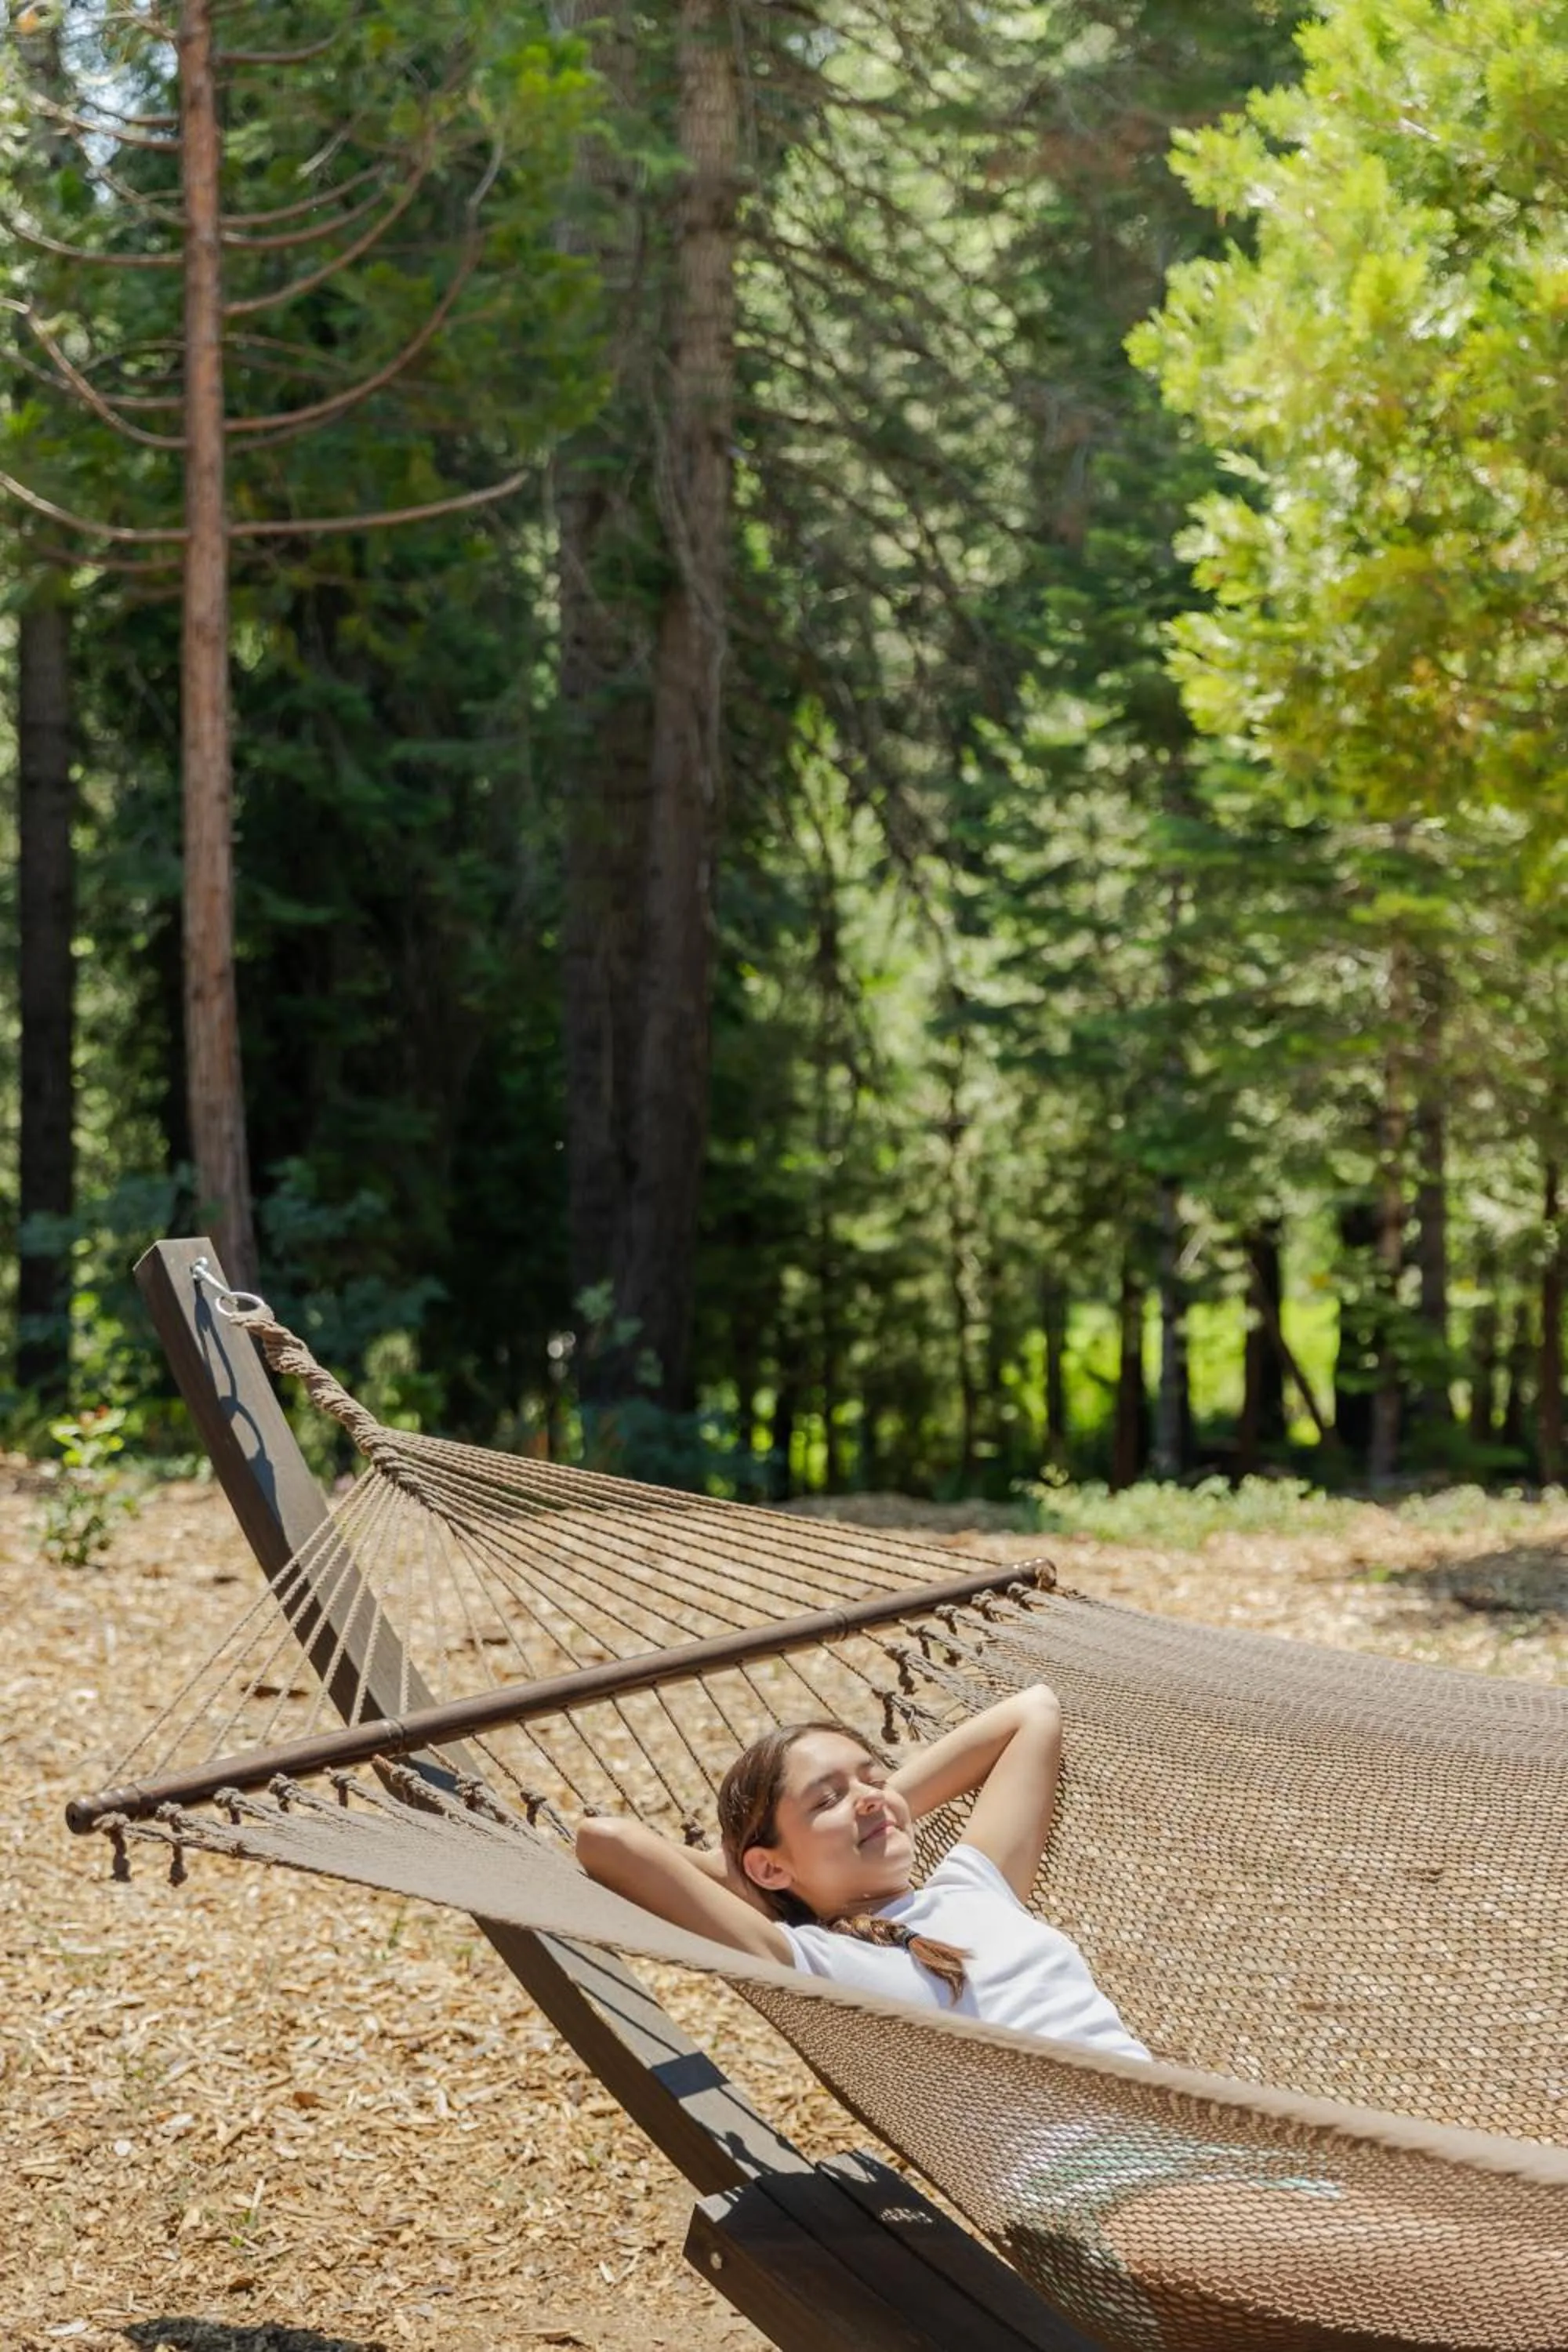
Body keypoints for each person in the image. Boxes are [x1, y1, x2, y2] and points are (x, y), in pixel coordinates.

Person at [575, 1682, 1149, 2059]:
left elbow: (1033, 1711)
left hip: (1180, 2131)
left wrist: (873, 1809)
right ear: (770, 1866)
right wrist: (751, 1877)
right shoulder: (813, 1960)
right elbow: (607, 1841)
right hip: (1087, 2171)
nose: (868, 1797)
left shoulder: (974, 1885)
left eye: (872, 1779)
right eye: (825, 1800)